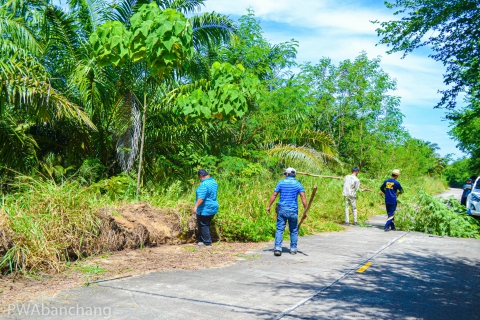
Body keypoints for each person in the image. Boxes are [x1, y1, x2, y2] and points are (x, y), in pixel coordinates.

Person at [266, 167, 308, 256]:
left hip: (282, 210)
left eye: (286, 174)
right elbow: (303, 197)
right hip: (293, 211)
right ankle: (293, 249)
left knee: (280, 229)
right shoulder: (298, 184)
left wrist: (269, 206)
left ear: (287, 174)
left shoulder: (281, 183)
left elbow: (274, 194)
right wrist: (306, 209)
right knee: (293, 230)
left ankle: (277, 249)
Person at [193, 169, 219, 246]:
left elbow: (201, 198)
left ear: (201, 176)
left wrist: (196, 206)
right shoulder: (214, 182)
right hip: (213, 207)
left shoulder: (203, 185)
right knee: (206, 224)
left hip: (205, 208)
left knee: (203, 225)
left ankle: (207, 242)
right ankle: (201, 240)